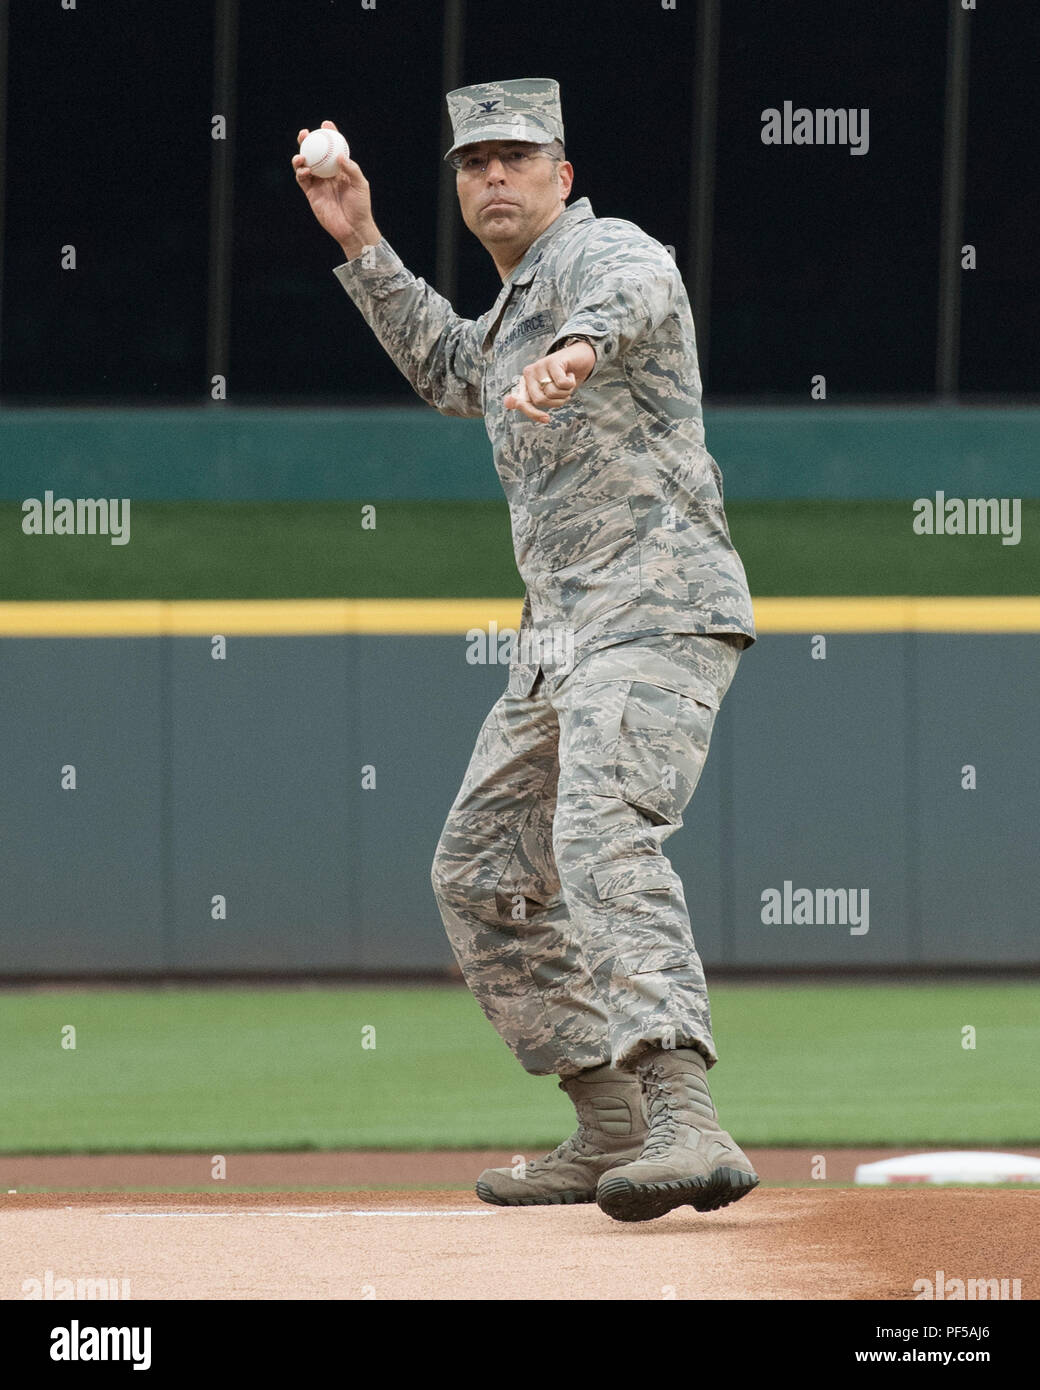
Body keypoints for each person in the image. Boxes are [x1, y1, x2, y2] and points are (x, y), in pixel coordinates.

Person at [294, 77, 759, 1223]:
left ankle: (683, 1115)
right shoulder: (507, 314)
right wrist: (360, 241)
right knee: (480, 869)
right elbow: (454, 368)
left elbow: (635, 290)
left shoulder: (605, 254)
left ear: (561, 171)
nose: (492, 175)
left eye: (515, 156)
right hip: (557, 641)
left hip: (655, 609)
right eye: (472, 162)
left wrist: (581, 350)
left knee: (601, 830)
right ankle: (606, 1117)